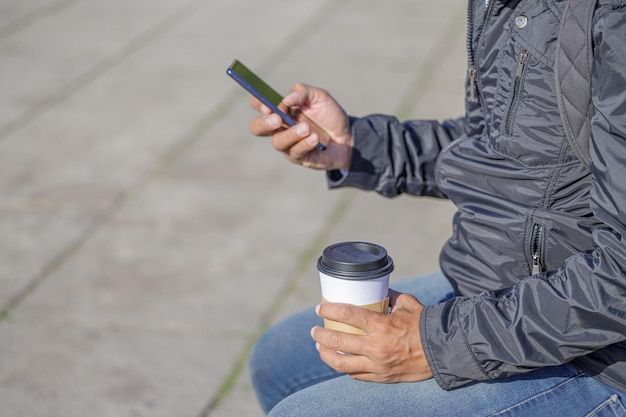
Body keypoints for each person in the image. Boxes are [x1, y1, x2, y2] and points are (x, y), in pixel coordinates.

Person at [247, 1, 626, 416]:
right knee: (278, 360)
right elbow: (503, 151)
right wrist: (355, 144)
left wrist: (436, 344)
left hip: (598, 356)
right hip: (499, 287)